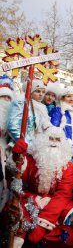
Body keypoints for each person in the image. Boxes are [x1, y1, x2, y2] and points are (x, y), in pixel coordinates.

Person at [3, 127, 73, 248]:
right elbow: (15, 176)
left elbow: (63, 195)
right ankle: (18, 238)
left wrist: (42, 225)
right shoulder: (33, 159)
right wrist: (16, 157)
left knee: (66, 233)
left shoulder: (69, 166)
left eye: (57, 139)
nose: (53, 143)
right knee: (14, 211)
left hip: (56, 204)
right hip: (32, 198)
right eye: (50, 138)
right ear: (43, 140)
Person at [7, 79, 51, 145]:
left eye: (43, 92)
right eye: (38, 91)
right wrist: (27, 144)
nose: (41, 94)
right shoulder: (21, 103)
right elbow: (13, 126)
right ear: (30, 92)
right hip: (23, 145)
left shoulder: (43, 107)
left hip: (38, 146)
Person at [0, 76, 14, 212]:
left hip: (5, 150)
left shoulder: (11, 113)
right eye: (4, 97)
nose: (6, 100)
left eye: (9, 98)